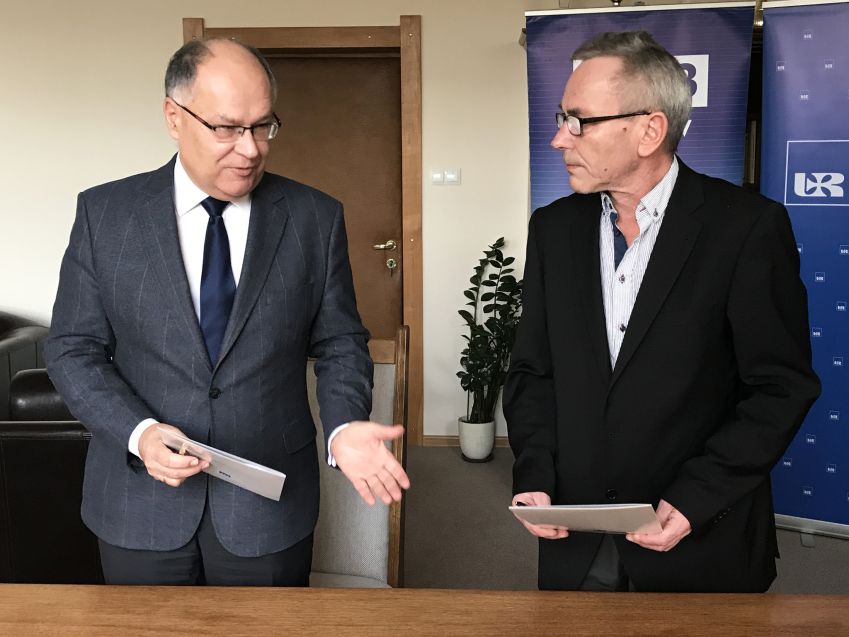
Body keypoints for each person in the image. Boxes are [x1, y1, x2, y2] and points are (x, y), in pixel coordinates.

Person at [45, 37, 409, 586]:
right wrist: (138, 432)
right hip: (138, 502)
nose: (250, 149)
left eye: (263, 126)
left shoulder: (314, 218)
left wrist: (341, 425)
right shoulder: (106, 215)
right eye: (227, 128)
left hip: (267, 510)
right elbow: (73, 350)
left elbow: (340, 340)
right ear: (174, 117)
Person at [505, 31, 820, 593]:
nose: (558, 139)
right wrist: (534, 472)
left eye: (579, 121)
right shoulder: (553, 228)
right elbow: (533, 371)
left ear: (650, 130)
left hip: (702, 534)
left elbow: (779, 388)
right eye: (561, 119)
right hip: (576, 535)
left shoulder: (747, 228)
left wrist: (698, 497)